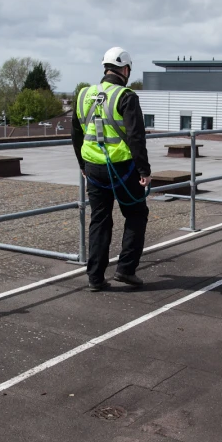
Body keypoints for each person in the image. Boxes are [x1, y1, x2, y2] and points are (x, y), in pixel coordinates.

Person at [72, 47, 151, 291]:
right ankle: (125, 269)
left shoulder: (84, 94)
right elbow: (136, 137)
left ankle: (95, 277)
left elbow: (76, 133)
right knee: (136, 214)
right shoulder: (126, 96)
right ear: (125, 70)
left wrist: (83, 165)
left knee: (100, 220)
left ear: (105, 68)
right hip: (123, 169)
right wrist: (144, 171)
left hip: (93, 169)